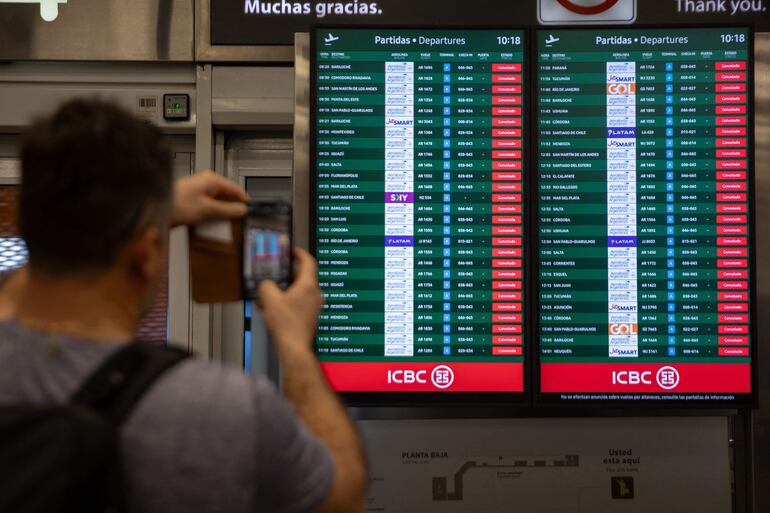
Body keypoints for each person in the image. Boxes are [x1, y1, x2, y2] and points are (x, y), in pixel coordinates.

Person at [0, 99, 367, 513]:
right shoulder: (224, 409)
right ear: (145, 255)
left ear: (25, 224)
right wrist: (295, 344)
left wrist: (136, 219)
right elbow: (344, 498)